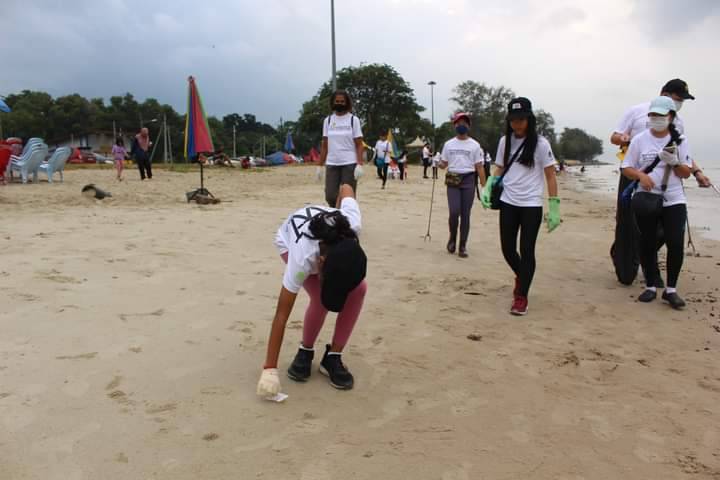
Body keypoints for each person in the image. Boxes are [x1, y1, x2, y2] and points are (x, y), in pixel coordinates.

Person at [256, 184, 368, 396]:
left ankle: (333, 356)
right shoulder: (302, 258)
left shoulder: (352, 224)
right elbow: (282, 313)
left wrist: (337, 208)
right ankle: (305, 350)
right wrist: (269, 369)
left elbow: (345, 188)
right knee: (318, 298)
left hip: (329, 246)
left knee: (360, 289)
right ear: (321, 263)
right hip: (288, 242)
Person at [610, 78, 710, 286]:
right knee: (627, 223)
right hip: (634, 174)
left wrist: (697, 172)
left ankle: (647, 265)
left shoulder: (678, 122)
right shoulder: (636, 111)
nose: (679, 103)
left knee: (667, 228)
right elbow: (614, 137)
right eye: (677, 98)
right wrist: (624, 139)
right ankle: (623, 255)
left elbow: (684, 154)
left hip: (667, 180)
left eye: (682, 101)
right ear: (663, 94)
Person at [481, 97, 560, 316]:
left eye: (521, 119)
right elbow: (499, 167)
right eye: (513, 120)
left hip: (531, 205)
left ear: (529, 119)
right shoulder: (504, 142)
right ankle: (523, 275)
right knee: (507, 249)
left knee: (527, 250)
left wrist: (554, 206)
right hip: (508, 202)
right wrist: (489, 185)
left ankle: (521, 296)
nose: (517, 123)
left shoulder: (541, 144)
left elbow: (551, 176)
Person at [620, 96, 692, 310]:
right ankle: (650, 285)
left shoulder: (681, 140)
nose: (656, 119)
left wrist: (676, 162)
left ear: (671, 117)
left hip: (674, 198)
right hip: (646, 198)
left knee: (675, 243)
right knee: (647, 241)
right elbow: (626, 167)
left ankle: (671, 289)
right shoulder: (640, 140)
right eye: (653, 115)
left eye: (661, 115)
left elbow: (686, 173)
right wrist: (641, 177)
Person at [438, 112, 486, 258]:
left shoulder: (475, 145)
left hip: (468, 179)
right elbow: (444, 163)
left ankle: (462, 245)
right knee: (454, 212)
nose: (462, 125)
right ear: (455, 125)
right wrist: (438, 163)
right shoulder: (449, 144)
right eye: (459, 123)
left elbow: (479, 167)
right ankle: (452, 237)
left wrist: (484, 187)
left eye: (464, 123)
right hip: (453, 179)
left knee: (466, 214)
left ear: (469, 126)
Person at [319, 91, 364, 207]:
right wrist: (319, 165)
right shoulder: (327, 121)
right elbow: (325, 145)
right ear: (333, 103)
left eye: (342, 101)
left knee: (348, 196)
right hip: (332, 163)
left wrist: (359, 164)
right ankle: (336, 213)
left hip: (349, 163)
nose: (340, 103)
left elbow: (359, 144)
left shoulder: (353, 120)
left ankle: (346, 219)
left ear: (347, 103)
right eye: (337, 101)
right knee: (330, 195)